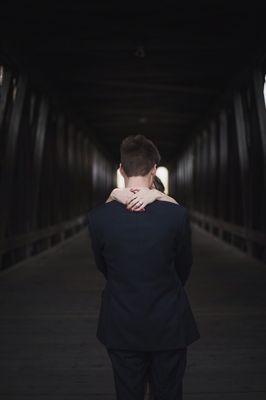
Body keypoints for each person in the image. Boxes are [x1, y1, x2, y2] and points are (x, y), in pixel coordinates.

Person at [87, 134, 200, 400]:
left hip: (121, 323)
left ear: (120, 170)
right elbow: (184, 267)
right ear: (154, 170)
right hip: (169, 322)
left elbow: (102, 265)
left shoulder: (99, 217)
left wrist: (114, 196)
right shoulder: (177, 214)